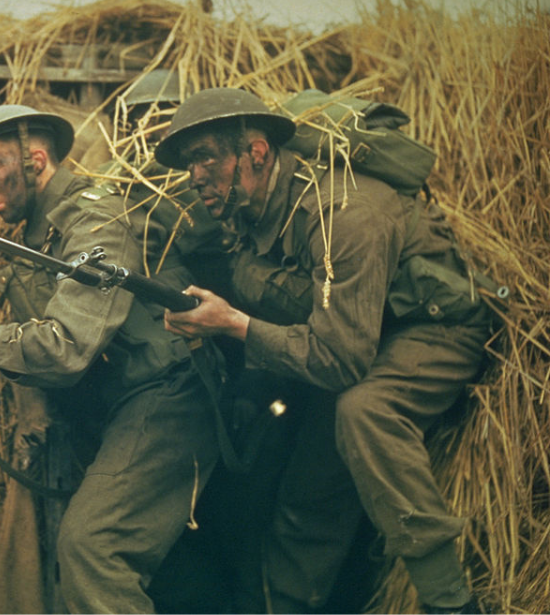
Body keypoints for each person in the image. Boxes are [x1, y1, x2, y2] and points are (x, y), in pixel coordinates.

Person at [153, 87, 492, 613]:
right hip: (357, 335)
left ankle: (451, 602)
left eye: (205, 158)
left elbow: (342, 361)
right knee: (310, 493)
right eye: (189, 163)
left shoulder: (345, 213)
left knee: (365, 413)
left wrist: (234, 324)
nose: (195, 175)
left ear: (257, 152)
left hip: (429, 329)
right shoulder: (244, 207)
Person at [0, 103, 222, 613]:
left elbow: (67, 347)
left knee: (93, 547)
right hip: (115, 407)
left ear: (37, 159)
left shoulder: (94, 217)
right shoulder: (36, 238)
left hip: (168, 394)